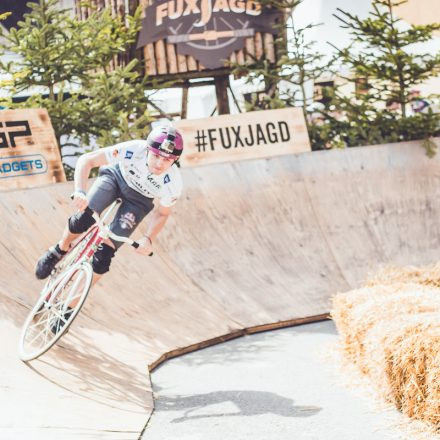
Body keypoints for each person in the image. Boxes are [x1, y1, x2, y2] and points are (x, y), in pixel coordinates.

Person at [35, 124, 184, 303]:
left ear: (174, 160)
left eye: (167, 160)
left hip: (139, 201)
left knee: (104, 256)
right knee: (84, 218)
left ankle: (70, 305)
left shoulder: (173, 183)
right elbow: (87, 160)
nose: (160, 164)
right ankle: (59, 249)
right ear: (147, 149)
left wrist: (148, 238)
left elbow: (163, 213)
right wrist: (80, 191)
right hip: (115, 179)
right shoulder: (133, 149)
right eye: (156, 156)